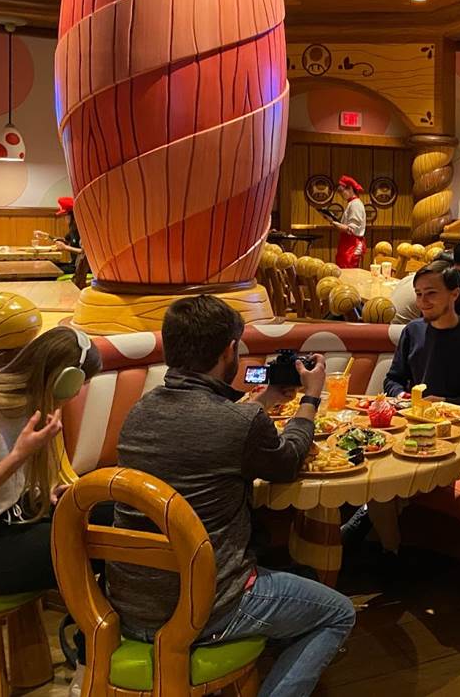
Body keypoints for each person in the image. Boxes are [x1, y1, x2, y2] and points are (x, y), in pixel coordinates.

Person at [107, 296, 354, 697]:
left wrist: (266, 398)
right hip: (208, 609)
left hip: (131, 604)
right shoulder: (240, 422)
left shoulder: (140, 412)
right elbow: (288, 460)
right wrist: (310, 398)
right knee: (338, 613)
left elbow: (208, 425)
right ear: (229, 350)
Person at [0, 328, 100, 595]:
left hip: (11, 517)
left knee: (111, 512)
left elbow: (13, 487)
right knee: (91, 545)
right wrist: (19, 455)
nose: (76, 395)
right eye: (81, 385)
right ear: (66, 380)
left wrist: (42, 492)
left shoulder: (32, 408)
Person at [383, 262, 460, 416]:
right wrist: (401, 395)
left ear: (454, 294)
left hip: (458, 425)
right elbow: (393, 379)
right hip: (413, 419)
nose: (422, 301)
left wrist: (445, 403)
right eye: (419, 294)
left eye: (431, 293)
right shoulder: (412, 331)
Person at [35, 196, 88, 284]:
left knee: (48, 270)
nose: (64, 218)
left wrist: (66, 248)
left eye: (65, 215)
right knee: (47, 266)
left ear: (73, 215)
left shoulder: (83, 229)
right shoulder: (73, 228)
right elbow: (64, 240)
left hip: (81, 268)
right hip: (73, 264)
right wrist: (47, 236)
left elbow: (85, 252)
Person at [330, 175, 367, 268]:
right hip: (348, 243)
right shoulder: (352, 203)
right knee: (343, 269)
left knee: (349, 271)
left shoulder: (355, 204)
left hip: (352, 245)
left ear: (350, 188)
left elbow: (351, 229)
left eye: (341, 191)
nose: (341, 194)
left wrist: (335, 224)